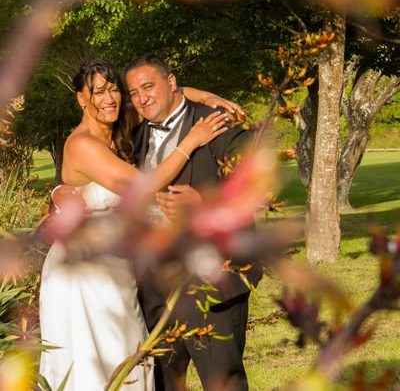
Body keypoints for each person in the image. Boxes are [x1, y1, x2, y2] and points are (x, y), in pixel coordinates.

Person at [39, 58, 229, 391]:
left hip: (117, 263)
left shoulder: (119, 121)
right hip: (84, 271)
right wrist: (192, 140)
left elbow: (162, 96)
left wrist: (206, 97)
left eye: (113, 89)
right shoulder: (82, 145)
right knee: (97, 358)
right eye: (97, 92)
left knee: (128, 349)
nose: (109, 98)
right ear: (82, 100)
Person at [125, 54, 262, 391]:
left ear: (171, 83)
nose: (142, 98)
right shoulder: (133, 136)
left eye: (148, 86)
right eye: (133, 92)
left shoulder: (217, 122)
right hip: (154, 290)